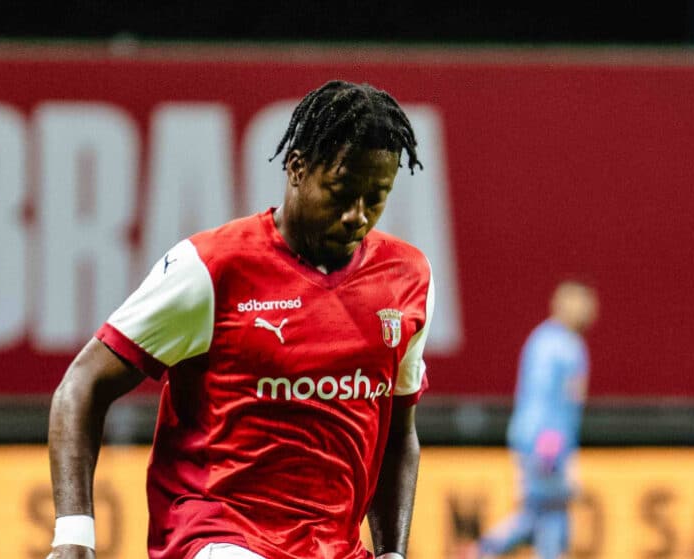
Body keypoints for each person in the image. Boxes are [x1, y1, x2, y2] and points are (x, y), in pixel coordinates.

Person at [47, 80, 435, 559]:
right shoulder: (211, 267)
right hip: (218, 535)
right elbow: (82, 385)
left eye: (376, 197)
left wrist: (393, 552)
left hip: (334, 548)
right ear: (297, 168)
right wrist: (74, 536)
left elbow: (397, 433)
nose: (357, 215)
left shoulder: (407, 278)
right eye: (341, 192)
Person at [465, 281, 598, 559]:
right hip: (546, 443)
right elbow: (546, 400)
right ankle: (483, 551)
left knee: (537, 513)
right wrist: (549, 447)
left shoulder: (545, 340)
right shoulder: (562, 347)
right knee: (551, 511)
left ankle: (482, 551)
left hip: (537, 440)